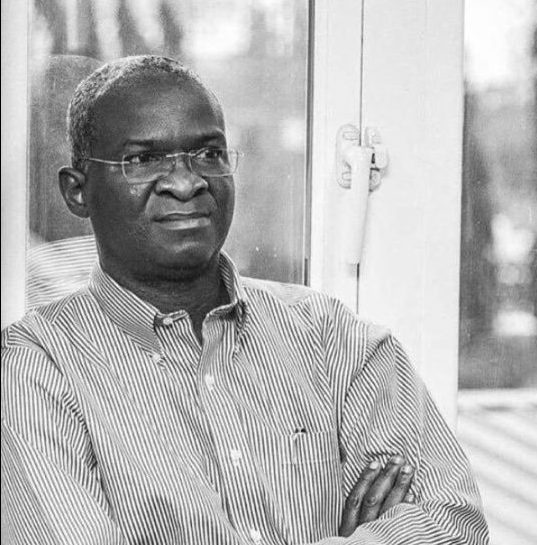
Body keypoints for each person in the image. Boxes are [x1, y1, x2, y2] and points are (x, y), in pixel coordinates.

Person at [1, 55, 489, 545]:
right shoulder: (37, 367)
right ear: (77, 192)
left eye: (208, 153)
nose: (186, 182)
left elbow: (455, 526)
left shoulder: (330, 337)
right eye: (144, 160)